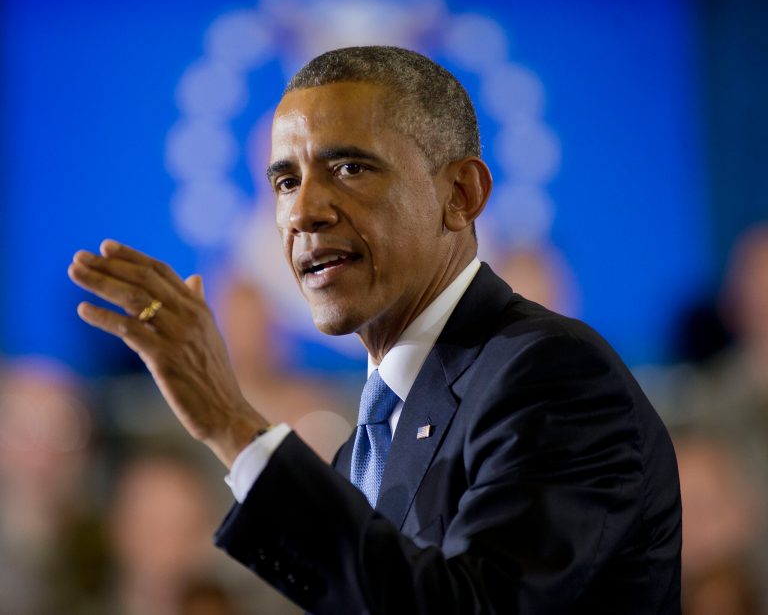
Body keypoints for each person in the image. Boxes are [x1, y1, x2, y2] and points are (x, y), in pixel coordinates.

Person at [68, 46, 681, 613]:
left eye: (351, 168)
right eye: (286, 181)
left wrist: (233, 425)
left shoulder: (552, 376)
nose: (304, 211)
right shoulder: (364, 444)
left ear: (461, 195)